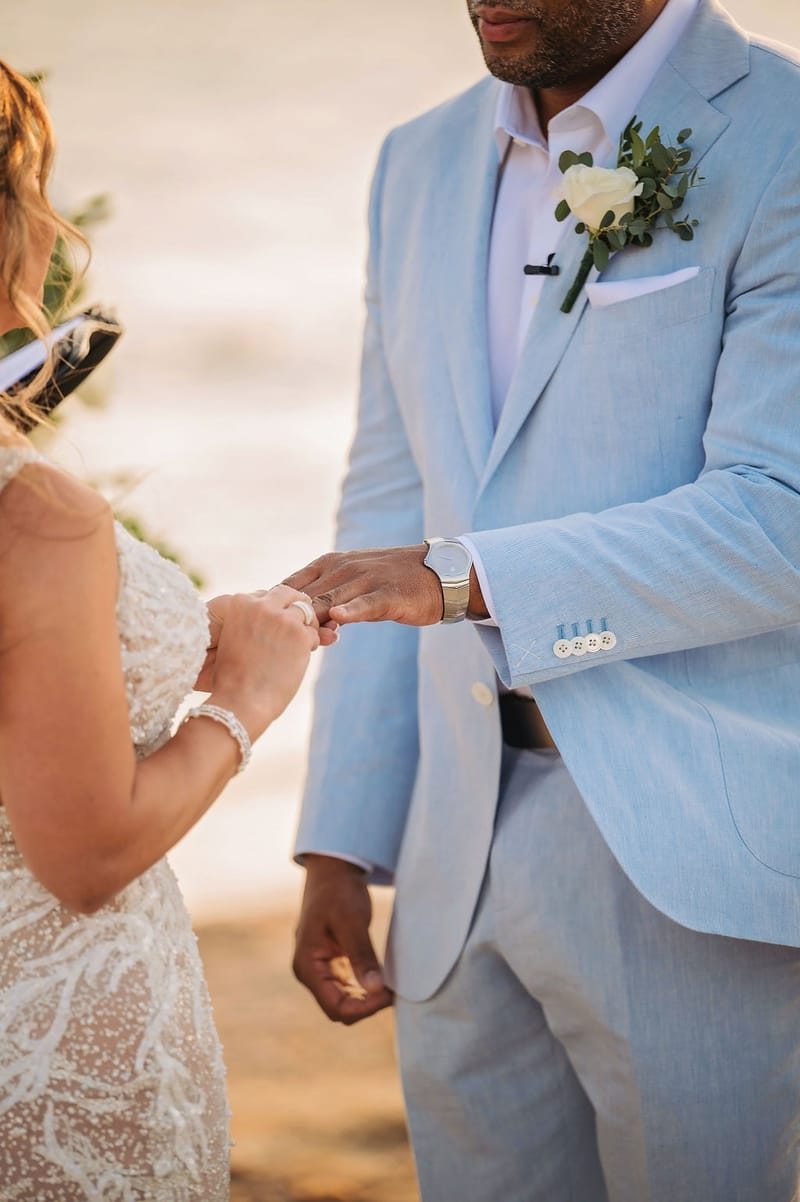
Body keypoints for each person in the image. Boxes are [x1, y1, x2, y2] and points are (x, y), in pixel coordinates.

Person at [288, 1, 800, 1199]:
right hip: (451, 839)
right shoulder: (413, 162)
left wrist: (462, 578)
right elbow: (386, 493)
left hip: (689, 846)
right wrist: (340, 839)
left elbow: (777, 515)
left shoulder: (781, 135)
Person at [0, 61, 335, 1200]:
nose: (55, 228)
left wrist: (117, 647)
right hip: (55, 1053)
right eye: (31, 190)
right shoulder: (32, 514)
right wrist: (241, 694)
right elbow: (86, 851)